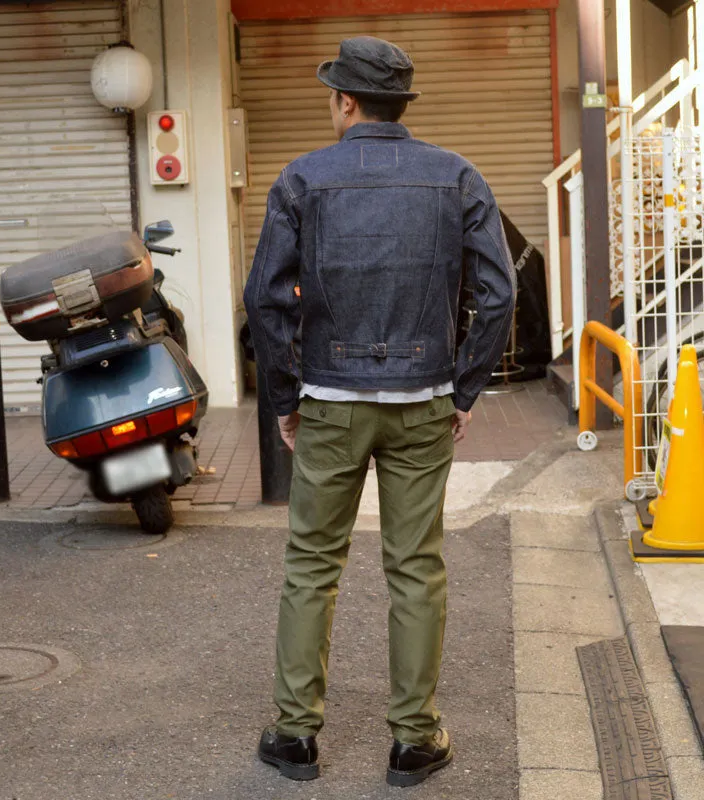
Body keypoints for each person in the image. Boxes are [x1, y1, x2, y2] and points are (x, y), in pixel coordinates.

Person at [244, 36, 515, 788]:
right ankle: (415, 741)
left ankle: (295, 738)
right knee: (417, 569)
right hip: (424, 400)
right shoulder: (456, 176)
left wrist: (286, 398)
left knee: (311, 567)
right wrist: (463, 387)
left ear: (346, 102)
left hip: (329, 401)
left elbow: (264, 298)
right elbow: (498, 295)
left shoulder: (304, 179)